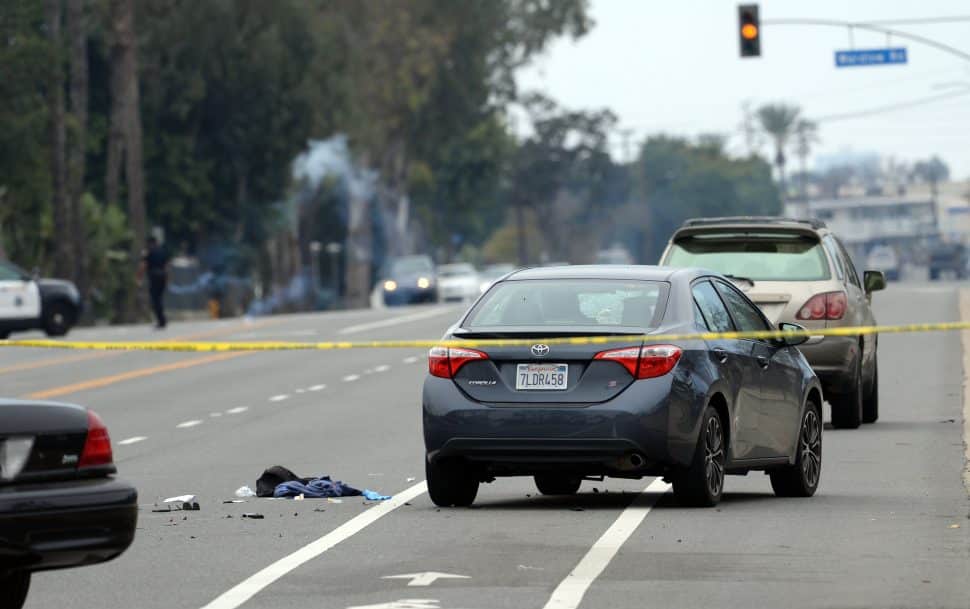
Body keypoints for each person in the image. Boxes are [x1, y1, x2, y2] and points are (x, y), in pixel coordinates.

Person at [138, 236, 169, 329]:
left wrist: (139, 277)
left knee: (155, 300)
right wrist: (167, 279)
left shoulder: (148, 252)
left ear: (150, 243)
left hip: (154, 277)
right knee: (159, 299)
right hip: (162, 276)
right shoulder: (162, 251)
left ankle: (161, 320)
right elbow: (167, 267)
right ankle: (162, 319)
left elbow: (143, 265)